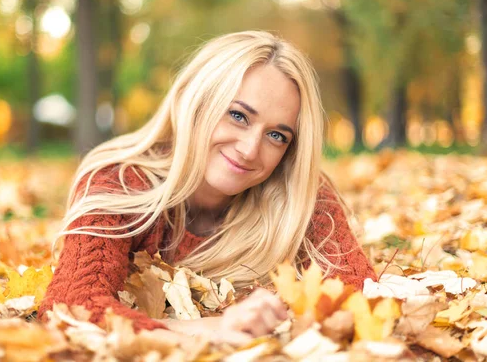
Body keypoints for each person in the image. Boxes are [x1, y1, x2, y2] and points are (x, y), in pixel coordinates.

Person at [38, 31, 376, 343]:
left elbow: (361, 296)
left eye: (277, 135)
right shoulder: (120, 181)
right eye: (238, 116)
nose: (249, 149)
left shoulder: (298, 192)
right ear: (196, 102)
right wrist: (206, 330)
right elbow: (72, 309)